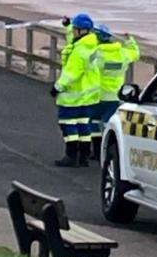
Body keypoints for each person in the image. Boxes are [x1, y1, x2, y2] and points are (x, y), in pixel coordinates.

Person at [50, 13, 100, 167]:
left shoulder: (79, 52)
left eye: (75, 29)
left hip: (72, 95)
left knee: (68, 124)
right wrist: (68, 25)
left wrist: (57, 87)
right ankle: (84, 156)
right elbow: (73, 38)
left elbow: (71, 73)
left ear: (80, 30)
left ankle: (71, 155)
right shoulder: (90, 44)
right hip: (88, 95)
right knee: (83, 125)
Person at [90, 24, 140, 161]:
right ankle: (106, 151)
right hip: (114, 96)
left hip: (96, 95)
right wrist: (130, 40)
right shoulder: (122, 53)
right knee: (108, 123)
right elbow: (135, 53)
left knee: (93, 123)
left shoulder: (95, 54)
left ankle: (95, 150)